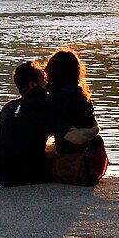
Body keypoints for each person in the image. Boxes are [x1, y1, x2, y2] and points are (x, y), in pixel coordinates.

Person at [0, 61, 100, 187]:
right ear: (33, 84)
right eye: (43, 79)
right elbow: (78, 138)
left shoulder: (8, 108)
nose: (47, 83)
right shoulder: (44, 105)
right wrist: (95, 129)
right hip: (27, 175)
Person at [45, 48, 108, 183]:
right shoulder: (83, 96)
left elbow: (71, 137)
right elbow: (91, 128)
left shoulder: (55, 100)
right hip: (97, 161)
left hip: (76, 165)